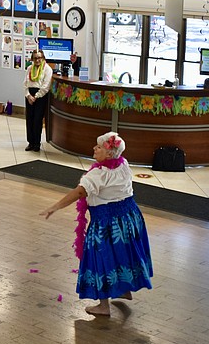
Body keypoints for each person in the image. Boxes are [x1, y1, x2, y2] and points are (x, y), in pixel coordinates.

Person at [40, 132, 153, 317]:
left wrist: (54, 207)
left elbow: (79, 193)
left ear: (109, 154)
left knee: (101, 259)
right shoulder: (123, 164)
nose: (94, 148)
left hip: (106, 222)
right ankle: (124, 288)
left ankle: (103, 306)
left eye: (98, 147)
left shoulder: (98, 174)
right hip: (129, 216)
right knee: (124, 253)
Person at [23, 49, 53, 152]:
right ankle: (30, 142)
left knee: (37, 120)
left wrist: (36, 96)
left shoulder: (47, 69)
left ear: (43, 58)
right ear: (32, 59)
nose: (37, 60)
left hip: (40, 96)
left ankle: (36, 144)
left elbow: (46, 86)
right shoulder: (29, 68)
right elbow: (25, 84)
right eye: (35, 58)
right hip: (29, 96)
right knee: (29, 120)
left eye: (39, 58)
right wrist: (28, 96)